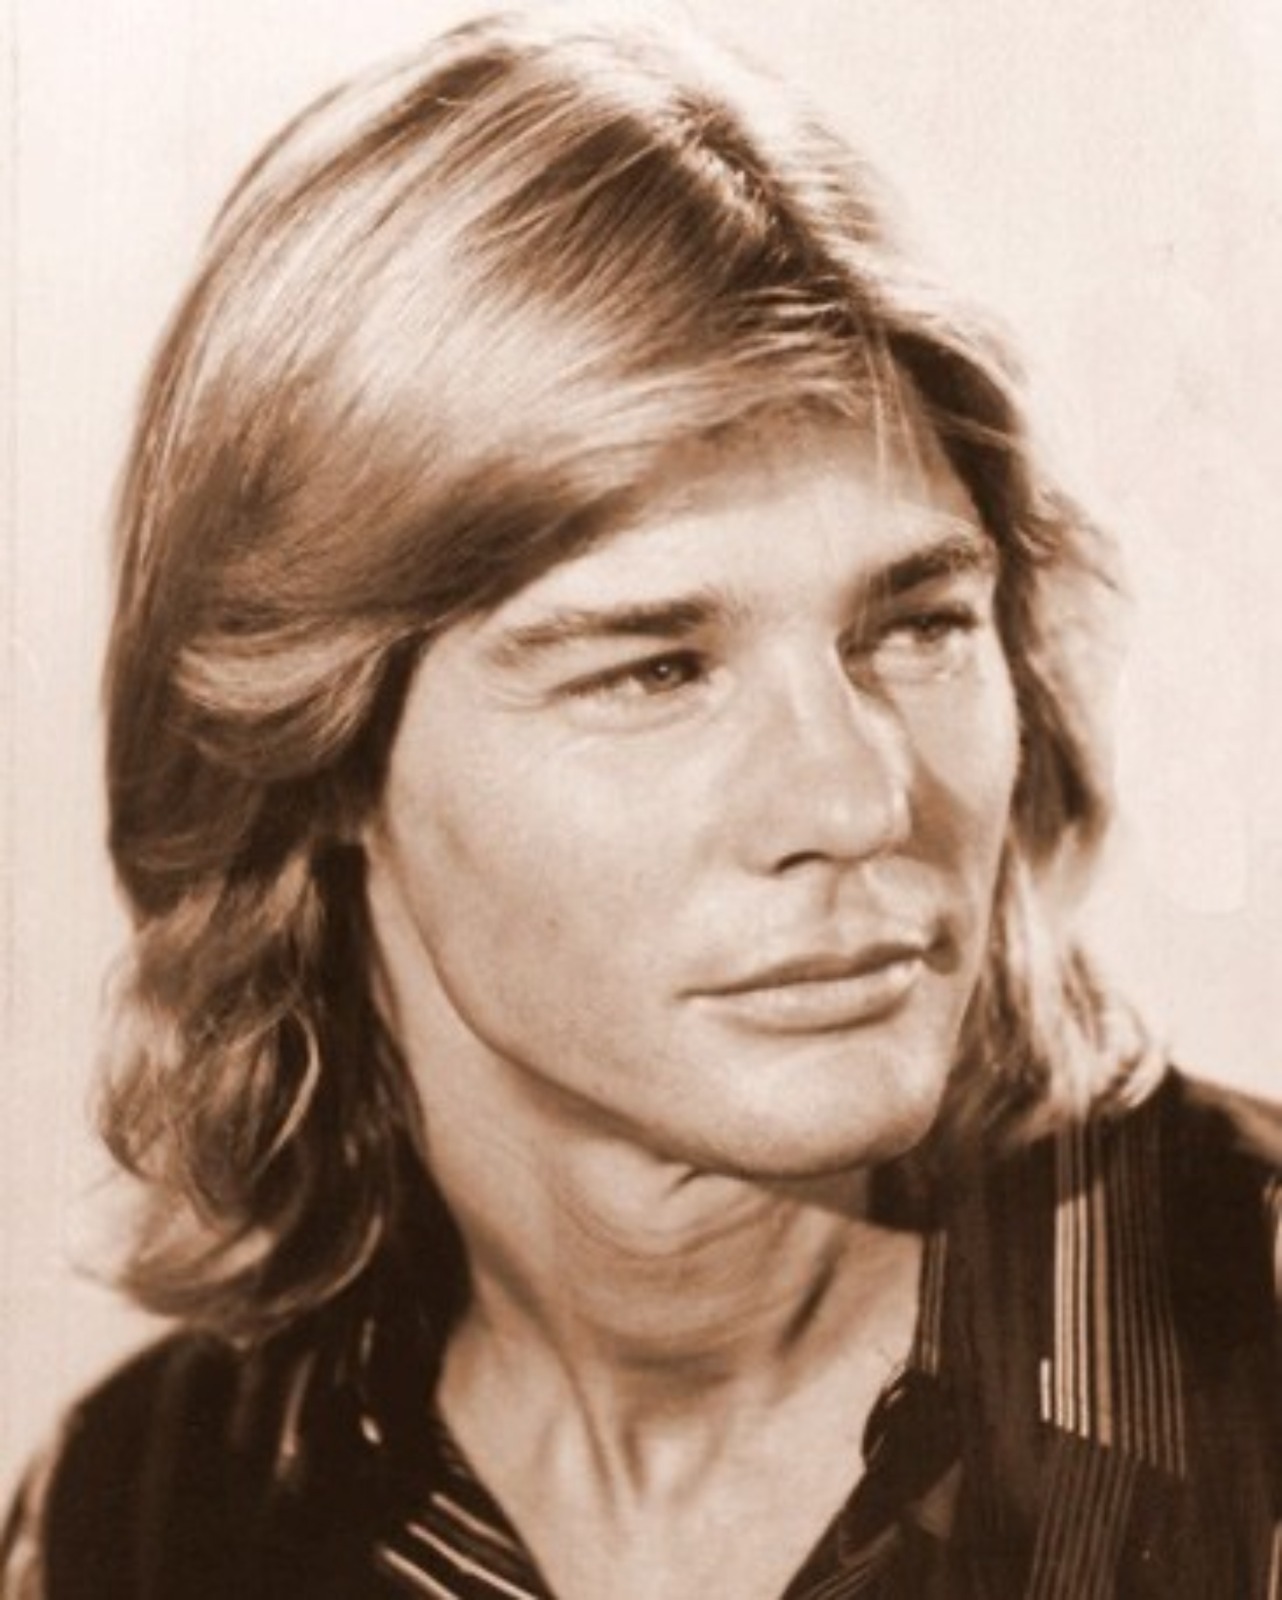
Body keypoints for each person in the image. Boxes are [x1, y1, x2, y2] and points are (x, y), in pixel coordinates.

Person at [3, 7, 1279, 1597]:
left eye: (917, 626)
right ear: (314, 752)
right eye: (654, 669)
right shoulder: (139, 1520)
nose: (858, 796)